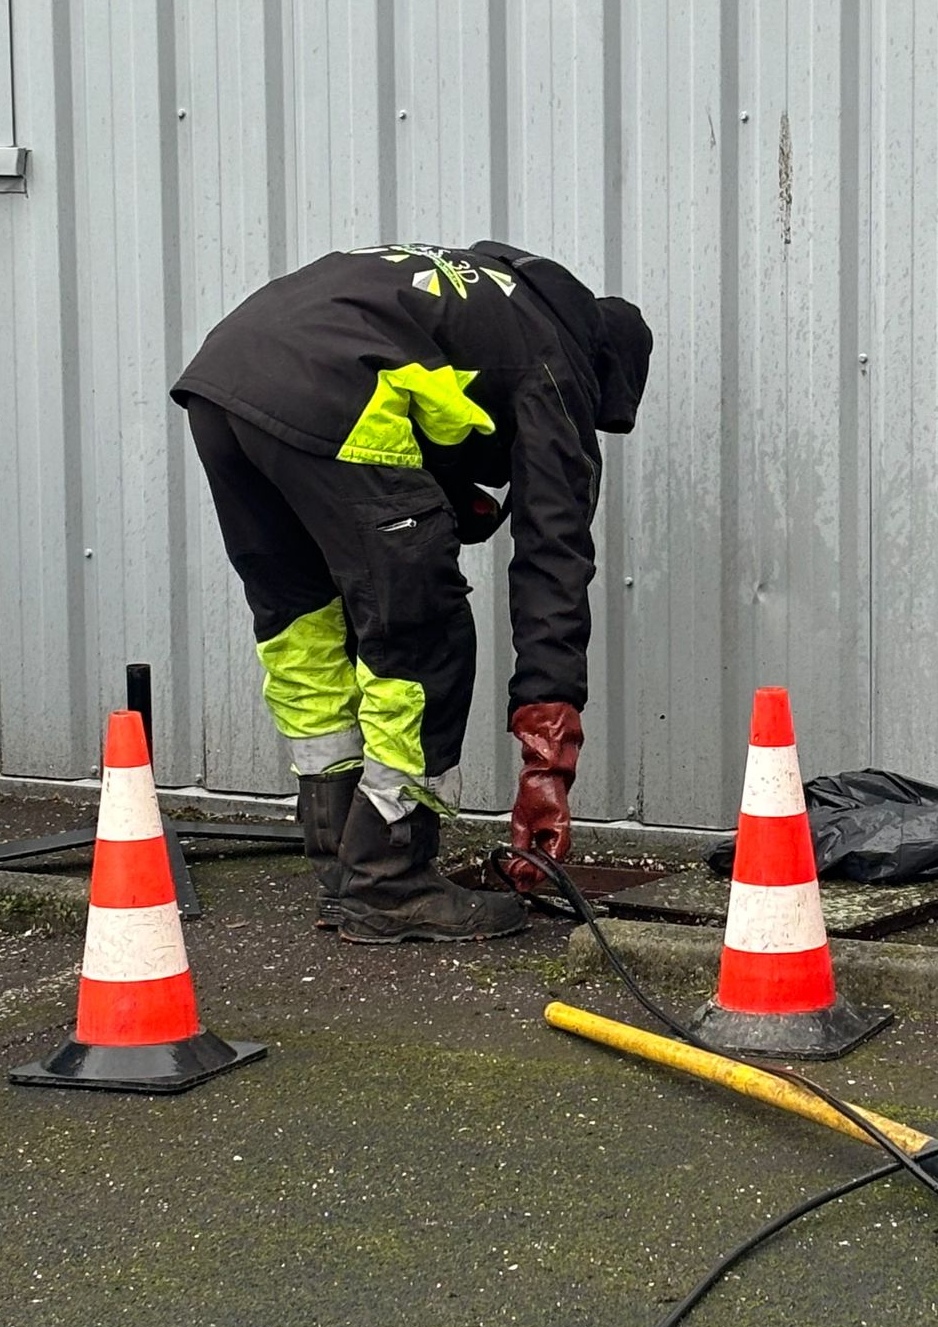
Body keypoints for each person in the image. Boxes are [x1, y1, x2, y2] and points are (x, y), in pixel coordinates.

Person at [172, 241, 652, 943]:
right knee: (424, 636)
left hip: (224, 381)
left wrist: (453, 504)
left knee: (306, 623)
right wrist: (549, 759)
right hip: (334, 387)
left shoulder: (486, 299)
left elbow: (421, 425)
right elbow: (554, 556)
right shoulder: (557, 360)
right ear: (602, 367)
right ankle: (391, 879)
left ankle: (344, 857)